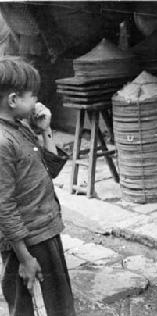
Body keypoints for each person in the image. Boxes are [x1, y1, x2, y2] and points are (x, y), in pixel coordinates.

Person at [0, 56, 76, 315]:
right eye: (32, 96)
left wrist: (45, 130)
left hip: (45, 229)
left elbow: (50, 170)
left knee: (60, 300)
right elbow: (4, 206)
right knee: (22, 304)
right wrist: (24, 257)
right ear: (13, 100)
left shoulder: (20, 128)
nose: (37, 102)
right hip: (22, 241)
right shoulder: (3, 142)